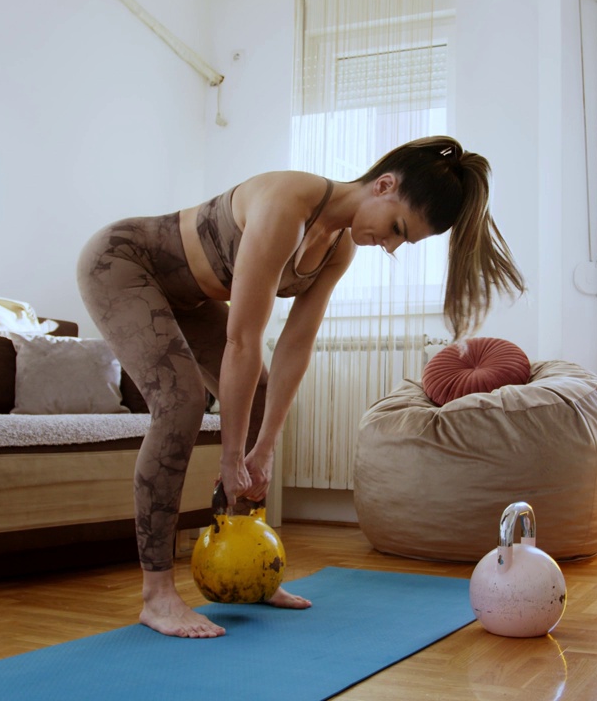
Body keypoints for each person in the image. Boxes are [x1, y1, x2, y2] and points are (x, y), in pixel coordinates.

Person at [76, 135, 525, 638]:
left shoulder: (340, 248)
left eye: (406, 242)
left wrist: (263, 449)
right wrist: (229, 454)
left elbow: (295, 345)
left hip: (189, 298)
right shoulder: (285, 205)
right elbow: (243, 340)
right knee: (179, 402)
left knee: (262, 396)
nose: (392, 246)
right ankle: (156, 596)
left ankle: (248, 571)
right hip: (123, 264)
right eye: (397, 227)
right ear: (383, 184)